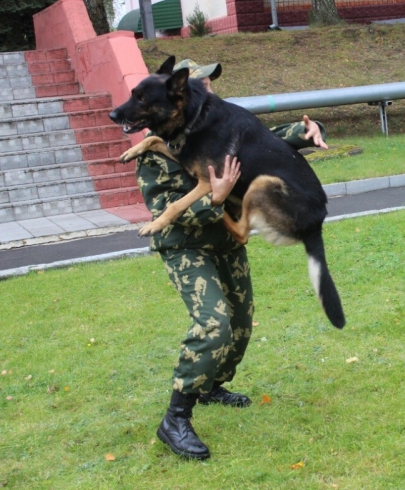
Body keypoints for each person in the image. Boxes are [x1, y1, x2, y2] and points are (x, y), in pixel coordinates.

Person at [135, 59, 326, 460]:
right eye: (202, 84)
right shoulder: (158, 149)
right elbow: (169, 211)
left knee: (240, 324)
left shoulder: (209, 123)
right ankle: (176, 417)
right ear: (178, 95)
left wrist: (304, 133)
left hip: (225, 242)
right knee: (214, 324)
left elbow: (258, 144)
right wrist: (216, 198)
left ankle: (211, 385)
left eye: (210, 84)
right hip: (186, 245)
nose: (210, 91)